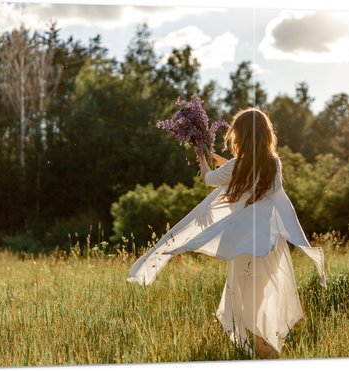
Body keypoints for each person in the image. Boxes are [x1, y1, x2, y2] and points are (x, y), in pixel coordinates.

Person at [127, 108, 326, 359]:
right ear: (266, 134)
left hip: (246, 249)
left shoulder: (236, 167)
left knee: (244, 308)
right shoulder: (273, 163)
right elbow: (243, 172)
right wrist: (215, 156)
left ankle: (265, 356)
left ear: (239, 136)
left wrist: (201, 156)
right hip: (270, 247)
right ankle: (264, 354)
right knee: (259, 302)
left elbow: (210, 179)